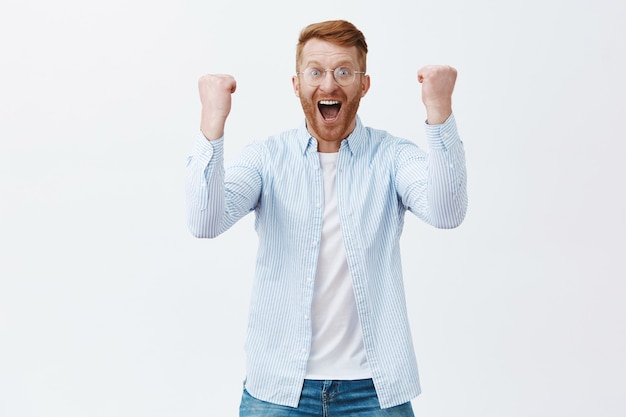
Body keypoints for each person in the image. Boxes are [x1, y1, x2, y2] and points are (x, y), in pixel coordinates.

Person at [186, 19, 467, 417]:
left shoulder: (391, 156)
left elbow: (448, 211)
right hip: (278, 389)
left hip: (374, 390)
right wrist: (212, 121)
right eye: (316, 71)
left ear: (363, 84)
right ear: (297, 83)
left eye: (344, 72)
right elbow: (204, 221)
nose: (330, 85)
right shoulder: (267, 158)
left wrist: (439, 111)